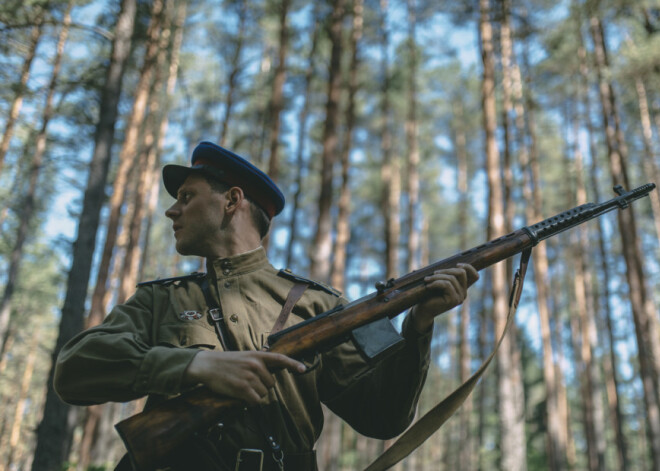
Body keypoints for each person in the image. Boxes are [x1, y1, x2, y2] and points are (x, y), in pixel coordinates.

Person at [54, 141, 479, 471]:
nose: (172, 209)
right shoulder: (160, 299)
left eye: (186, 196)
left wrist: (419, 326)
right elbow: (74, 371)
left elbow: (383, 419)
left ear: (232, 201)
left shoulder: (326, 306)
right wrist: (194, 367)